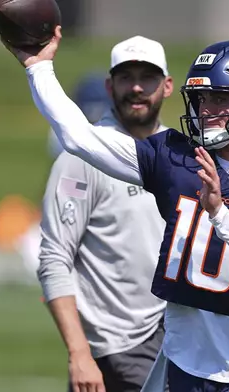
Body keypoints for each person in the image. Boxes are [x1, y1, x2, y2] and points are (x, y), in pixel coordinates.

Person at [5, 27, 229, 391]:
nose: (206, 110)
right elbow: (78, 137)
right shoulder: (175, 157)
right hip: (184, 362)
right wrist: (39, 67)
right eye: (200, 98)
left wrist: (220, 215)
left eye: (219, 98)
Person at [36, 35, 173, 392]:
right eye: (127, 77)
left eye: (148, 77)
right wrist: (79, 353)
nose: (138, 88)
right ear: (110, 86)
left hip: (177, 334)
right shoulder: (81, 159)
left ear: (168, 86)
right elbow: (54, 258)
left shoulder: (180, 153)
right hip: (116, 348)